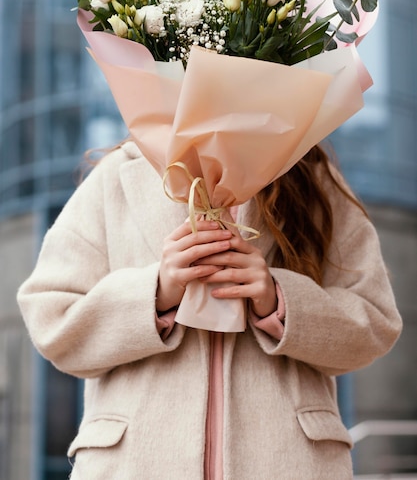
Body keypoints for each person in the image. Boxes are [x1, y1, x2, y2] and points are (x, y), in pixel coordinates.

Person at [17, 139, 402, 480]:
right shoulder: (117, 176)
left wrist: (279, 299)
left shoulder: (310, 177)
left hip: (290, 463)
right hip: (132, 464)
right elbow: (52, 317)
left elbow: (376, 320)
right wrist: (155, 293)